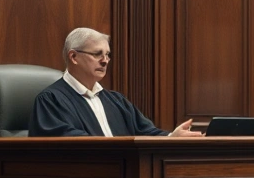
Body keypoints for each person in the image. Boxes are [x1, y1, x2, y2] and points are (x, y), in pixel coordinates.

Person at [30, 28, 201, 137]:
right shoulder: (51, 100)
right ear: (74, 57)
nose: (105, 61)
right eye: (97, 54)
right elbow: (67, 144)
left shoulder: (116, 100)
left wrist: (171, 137)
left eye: (107, 55)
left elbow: (145, 132)